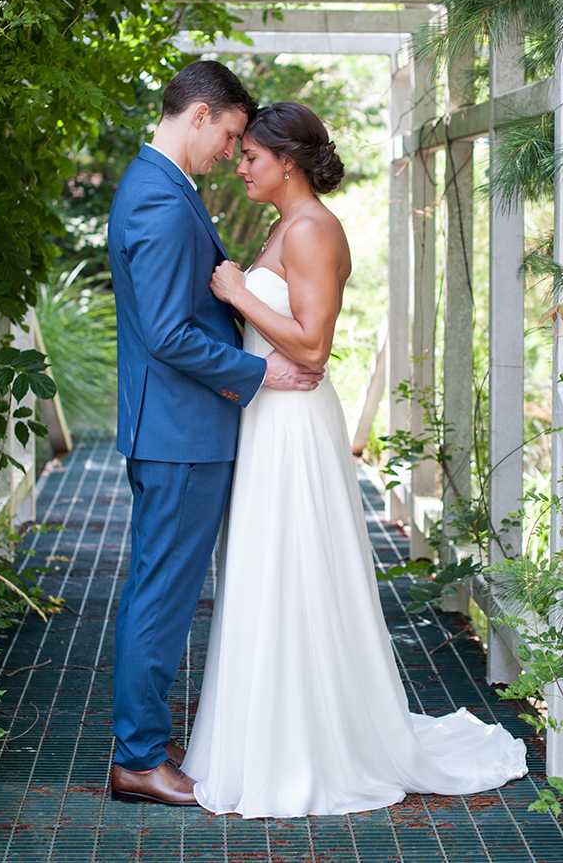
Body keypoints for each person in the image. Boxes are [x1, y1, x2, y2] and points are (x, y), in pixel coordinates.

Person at [183, 101, 528, 818]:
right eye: (239, 153)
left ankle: (309, 746)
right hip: (268, 416)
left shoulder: (312, 229)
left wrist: (240, 292)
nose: (240, 165)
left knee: (296, 568)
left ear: (288, 161)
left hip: (294, 421)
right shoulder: (290, 225)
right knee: (269, 568)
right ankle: (271, 733)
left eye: (250, 155)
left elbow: (312, 346)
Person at [106, 65, 324, 807]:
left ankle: (142, 741)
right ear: (199, 114)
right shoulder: (164, 201)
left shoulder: (158, 186)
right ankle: (137, 756)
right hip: (180, 430)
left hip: (174, 425)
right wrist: (256, 375)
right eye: (231, 133)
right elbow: (169, 332)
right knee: (161, 594)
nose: (232, 150)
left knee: (156, 587)